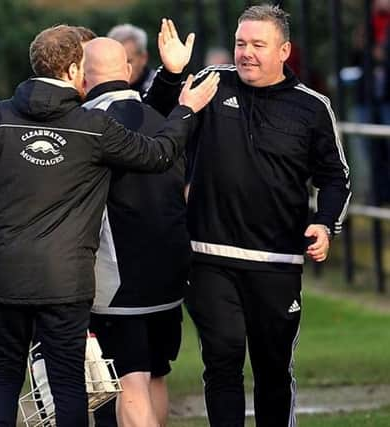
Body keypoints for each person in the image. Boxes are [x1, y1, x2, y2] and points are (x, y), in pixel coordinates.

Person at [0, 25, 218, 427]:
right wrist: (186, 108)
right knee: (69, 382)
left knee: (4, 378)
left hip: (4, 273)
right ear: (74, 70)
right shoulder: (90, 126)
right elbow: (157, 151)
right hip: (67, 278)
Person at [146, 7, 351, 427]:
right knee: (222, 363)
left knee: (273, 370)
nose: (247, 53)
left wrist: (324, 224)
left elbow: (336, 178)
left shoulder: (312, 108)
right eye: (242, 43)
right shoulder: (211, 83)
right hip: (209, 256)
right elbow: (158, 118)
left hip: (277, 263)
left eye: (258, 45)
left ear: (284, 50)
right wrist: (169, 75)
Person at [82, 38, 189, 427]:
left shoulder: (86, 126)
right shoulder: (161, 119)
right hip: (171, 274)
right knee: (156, 374)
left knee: (131, 382)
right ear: (127, 70)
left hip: (118, 281)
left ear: (81, 76)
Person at [108, 24, 157, 96]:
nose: (122, 68)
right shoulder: (103, 91)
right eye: (116, 62)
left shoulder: (160, 90)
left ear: (143, 58)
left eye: (128, 61)